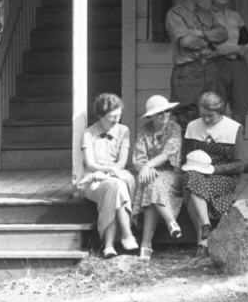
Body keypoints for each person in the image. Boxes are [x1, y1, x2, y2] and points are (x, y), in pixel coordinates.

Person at [179, 90, 246, 248]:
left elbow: (239, 164)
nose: (206, 119)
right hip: (196, 172)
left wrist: (212, 170)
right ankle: (205, 226)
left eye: (210, 115)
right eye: (203, 115)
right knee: (190, 178)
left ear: (219, 111)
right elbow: (185, 157)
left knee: (192, 189)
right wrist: (199, 167)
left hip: (223, 174)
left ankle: (202, 241)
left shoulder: (233, 128)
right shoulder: (193, 126)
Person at [76, 93, 138, 257]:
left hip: (116, 176)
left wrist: (109, 173)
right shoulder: (89, 134)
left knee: (116, 186)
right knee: (116, 186)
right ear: (100, 116)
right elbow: (90, 164)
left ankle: (109, 245)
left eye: (118, 115)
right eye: (111, 117)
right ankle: (127, 234)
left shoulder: (123, 130)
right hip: (93, 180)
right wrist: (107, 172)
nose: (116, 120)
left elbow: (122, 163)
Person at [131, 93, 185, 260]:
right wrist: (144, 168)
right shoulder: (144, 131)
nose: (165, 115)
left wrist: (148, 165)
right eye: (160, 113)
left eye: (167, 111)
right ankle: (171, 222)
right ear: (152, 116)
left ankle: (146, 245)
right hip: (150, 173)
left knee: (151, 185)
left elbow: (168, 153)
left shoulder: (174, 128)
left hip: (172, 173)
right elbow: (137, 159)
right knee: (151, 184)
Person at [165, 0, 221, 115]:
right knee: (186, 115)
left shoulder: (208, 14)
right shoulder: (175, 14)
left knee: (211, 112)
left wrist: (201, 33)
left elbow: (223, 34)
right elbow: (186, 42)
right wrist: (209, 39)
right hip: (188, 71)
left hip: (210, 69)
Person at [205, 0, 248, 124]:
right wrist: (237, 48)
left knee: (241, 106)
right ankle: (218, 145)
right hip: (217, 66)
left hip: (238, 66)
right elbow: (215, 47)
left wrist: (243, 49)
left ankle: (238, 144)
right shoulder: (206, 16)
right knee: (216, 107)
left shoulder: (235, 16)